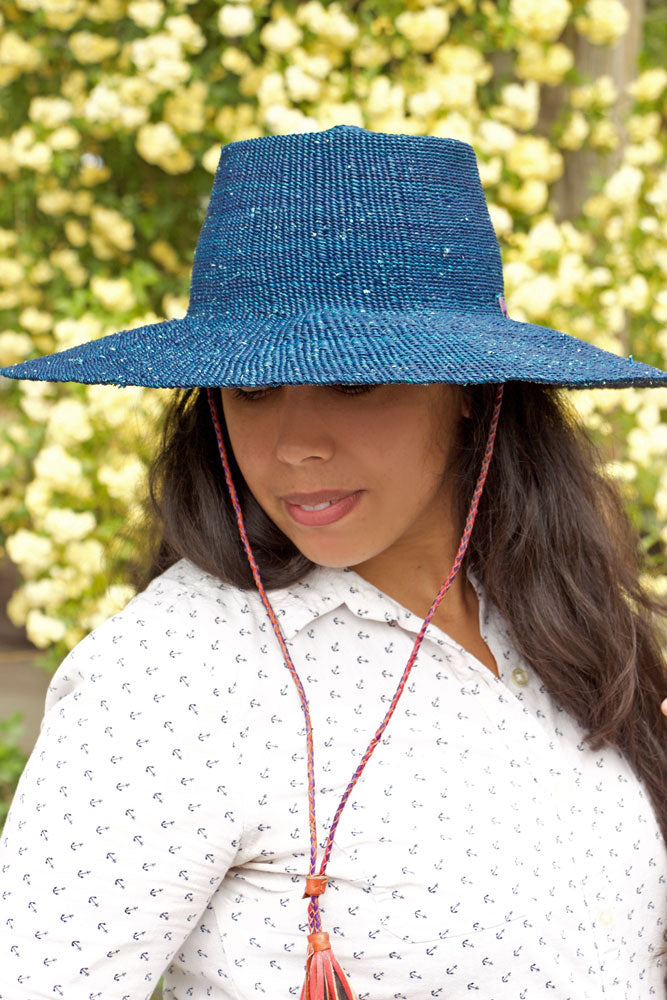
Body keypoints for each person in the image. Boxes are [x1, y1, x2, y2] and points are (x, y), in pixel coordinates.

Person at [0, 124, 665, 1000]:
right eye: (252, 388)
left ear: (468, 391)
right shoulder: (172, 678)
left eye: (353, 384)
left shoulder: (558, 622)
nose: (294, 446)